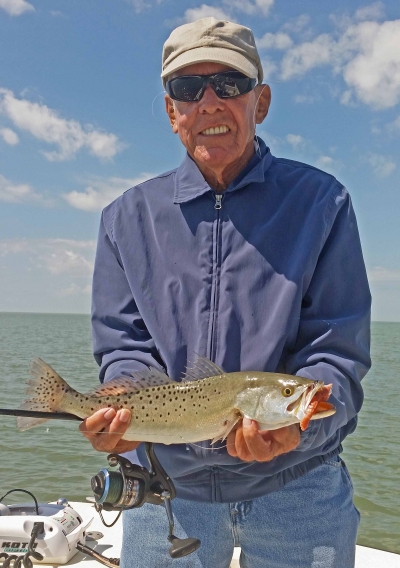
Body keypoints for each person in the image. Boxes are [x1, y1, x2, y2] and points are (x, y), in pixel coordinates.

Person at [80, 17, 371, 568]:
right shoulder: (124, 218)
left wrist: (298, 434)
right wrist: (118, 403)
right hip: (166, 489)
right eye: (189, 89)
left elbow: (337, 352)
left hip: (301, 488)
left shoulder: (323, 203)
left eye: (230, 84)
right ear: (172, 112)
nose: (210, 102)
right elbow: (123, 344)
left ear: (259, 102)